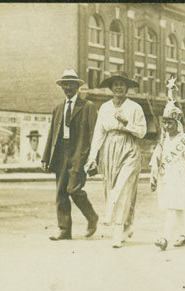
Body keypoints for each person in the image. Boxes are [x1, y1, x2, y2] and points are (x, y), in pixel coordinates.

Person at [85, 71, 146, 248]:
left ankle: (117, 230)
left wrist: (127, 123)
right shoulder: (104, 108)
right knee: (111, 187)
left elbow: (142, 132)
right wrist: (92, 157)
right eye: (115, 84)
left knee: (123, 188)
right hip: (110, 149)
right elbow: (99, 133)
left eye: (122, 84)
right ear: (111, 87)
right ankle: (126, 225)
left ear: (127, 88)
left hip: (129, 148)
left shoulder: (135, 108)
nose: (119, 87)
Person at [42, 69, 99, 241]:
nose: (68, 87)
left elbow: (94, 134)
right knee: (61, 192)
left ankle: (92, 217)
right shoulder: (58, 109)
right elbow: (52, 134)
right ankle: (64, 230)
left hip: (79, 153)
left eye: (71, 84)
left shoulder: (87, 107)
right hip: (61, 154)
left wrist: (93, 157)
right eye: (65, 84)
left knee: (73, 189)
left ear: (77, 86)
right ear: (62, 87)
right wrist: (46, 157)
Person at [150, 104, 185, 251]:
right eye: (164, 122)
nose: (167, 125)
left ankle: (165, 238)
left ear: (177, 123)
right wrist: (153, 178)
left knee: (172, 206)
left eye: (170, 122)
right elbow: (156, 160)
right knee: (176, 207)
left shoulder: (184, 139)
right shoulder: (163, 140)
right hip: (165, 177)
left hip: (179, 177)